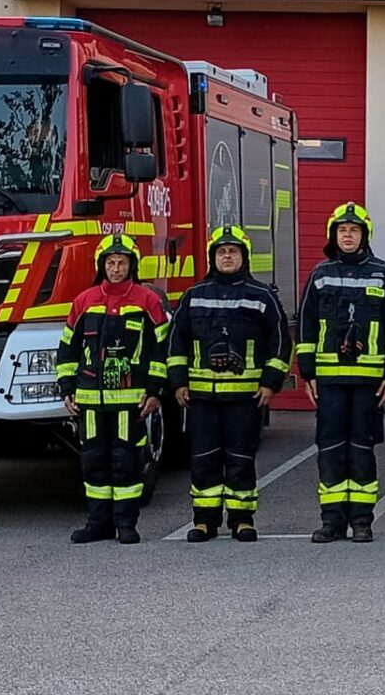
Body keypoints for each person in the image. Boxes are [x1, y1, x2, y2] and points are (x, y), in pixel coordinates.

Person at [167, 224, 290, 543]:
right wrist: (179, 382)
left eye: (233, 252)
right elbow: (176, 342)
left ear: (244, 257)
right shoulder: (193, 296)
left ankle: (242, 519)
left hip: (245, 397)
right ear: (212, 257)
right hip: (201, 398)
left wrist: (270, 383)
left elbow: (279, 341)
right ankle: (204, 521)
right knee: (203, 458)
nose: (227, 257)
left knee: (241, 458)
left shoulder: (261, 296)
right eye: (221, 252)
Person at [297, 202, 385, 544]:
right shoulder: (320, 274)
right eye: (342, 230)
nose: (347, 235)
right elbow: (306, 326)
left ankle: (362, 520)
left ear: (364, 235)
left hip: (369, 381)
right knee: (329, 448)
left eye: (354, 230)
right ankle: (331, 521)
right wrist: (308, 372)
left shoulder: (382, 274)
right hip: (329, 380)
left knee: (362, 448)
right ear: (334, 235)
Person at [55, 233, 169, 544]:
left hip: (130, 402)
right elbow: (67, 349)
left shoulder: (148, 301)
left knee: (126, 463)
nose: (116, 268)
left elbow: (161, 349)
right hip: (89, 401)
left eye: (122, 263)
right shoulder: (84, 301)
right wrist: (67, 387)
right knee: (93, 462)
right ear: (101, 265)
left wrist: (155, 391)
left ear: (133, 266)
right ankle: (97, 524)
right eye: (110, 262)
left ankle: (126, 524)